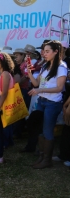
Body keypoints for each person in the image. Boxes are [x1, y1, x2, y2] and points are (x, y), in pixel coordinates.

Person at [27, 40, 67, 169]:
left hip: (52, 103)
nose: (44, 53)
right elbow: (36, 84)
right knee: (40, 130)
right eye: (44, 51)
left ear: (56, 52)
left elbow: (59, 88)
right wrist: (29, 73)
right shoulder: (45, 66)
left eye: (47, 51)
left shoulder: (61, 67)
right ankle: (41, 157)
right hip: (42, 101)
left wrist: (40, 90)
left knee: (47, 131)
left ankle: (47, 160)